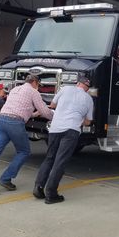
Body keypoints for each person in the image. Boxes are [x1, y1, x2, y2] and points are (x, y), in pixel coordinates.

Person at [0, 74, 54, 197]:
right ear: (34, 82)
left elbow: (18, 108)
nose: (38, 87)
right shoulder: (33, 92)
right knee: (24, 151)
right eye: (38, 85)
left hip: (2, 121)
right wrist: (55, 117)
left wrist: (33, 114)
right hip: (15, 123)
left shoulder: (15, 89)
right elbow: (45, 111)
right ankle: (6, 178)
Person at [33, 75, 93, 204]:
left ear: (78, 83)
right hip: (71, 130)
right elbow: (88, 122)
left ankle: (38, 188)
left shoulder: (65, 89)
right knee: (60, 161)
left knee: (49, 158)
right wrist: (77, 118)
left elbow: (53, 105)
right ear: (87, 88)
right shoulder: (89, 99)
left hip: (55, 128)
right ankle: (51, 194)